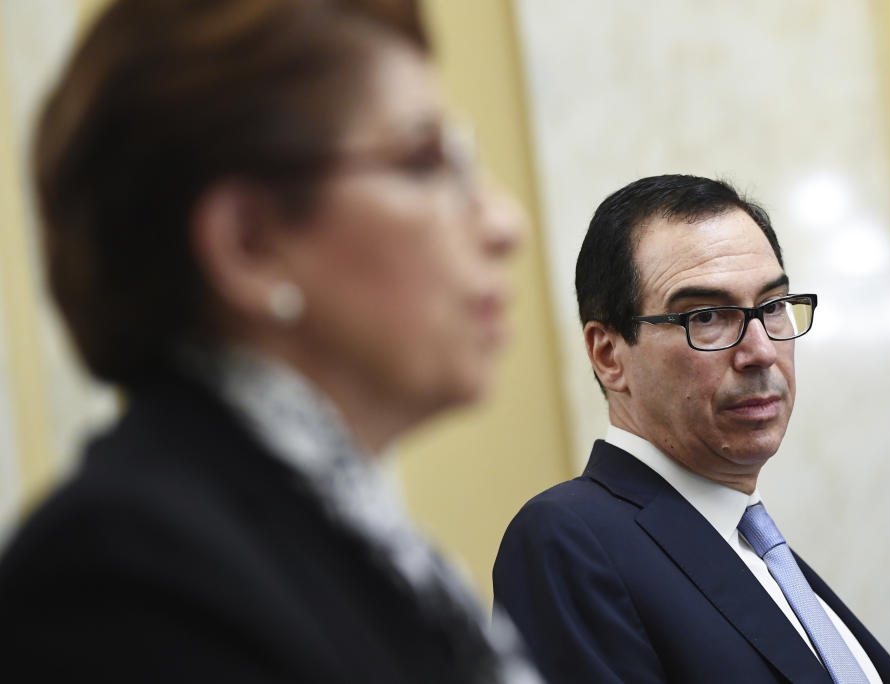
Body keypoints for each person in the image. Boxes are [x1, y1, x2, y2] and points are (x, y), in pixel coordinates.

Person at [0, 1, 542, 682]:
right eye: (424, 162)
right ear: (250, 244)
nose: (504, 223)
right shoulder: (124, 583)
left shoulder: (351, 542)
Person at [493, 175, 890, 683]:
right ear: (608, 355)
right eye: (708, 315)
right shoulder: (569, 540)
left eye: (774, 307)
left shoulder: (757, 549)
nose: (759, 351)